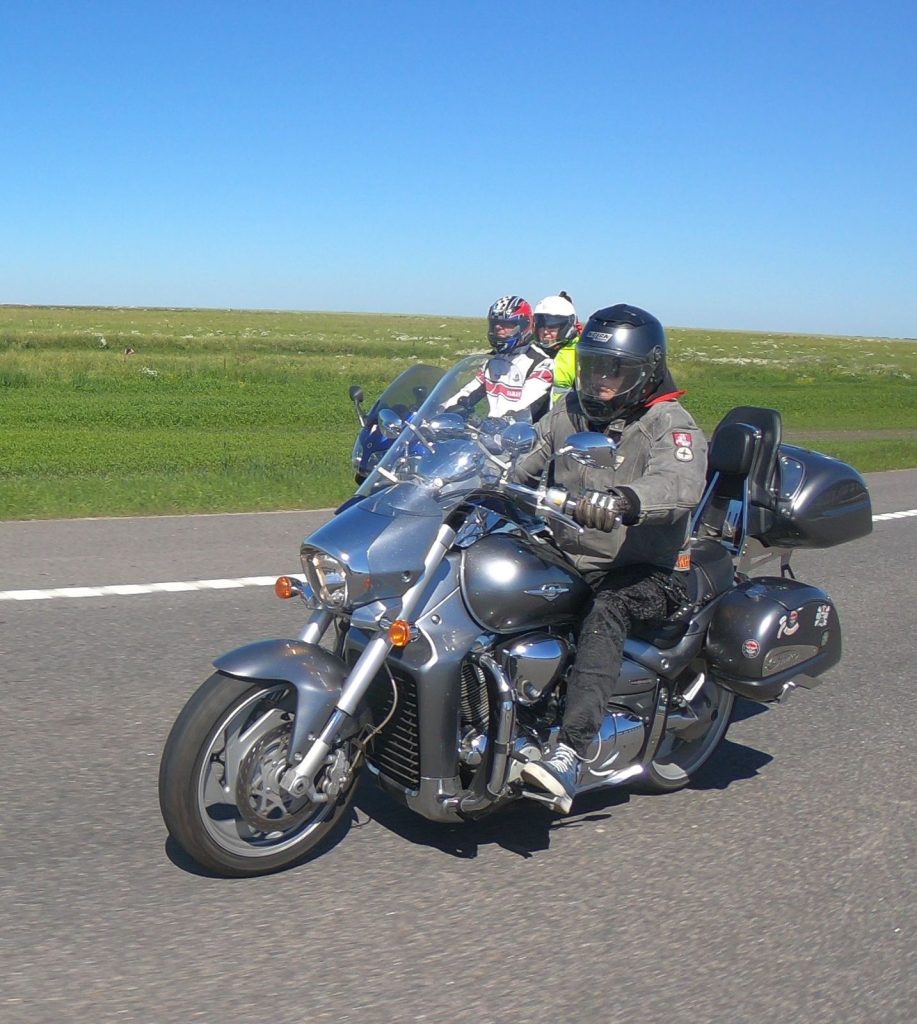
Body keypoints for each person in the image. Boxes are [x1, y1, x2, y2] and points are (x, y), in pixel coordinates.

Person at [512, 303, 708, 813]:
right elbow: (528, 459)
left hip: (645, 569)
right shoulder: (568, 412)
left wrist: (625, 501)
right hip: (567, 551)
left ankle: (570, 752)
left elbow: (679, 483)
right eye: (594, 366)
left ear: (645, 371)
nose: (600, 380)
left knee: (607, 614)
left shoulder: (668, 422)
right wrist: (482, 474)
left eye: (614, 370)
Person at [443, 295, 554, 421]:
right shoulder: (493, 360)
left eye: (507, 324)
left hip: (521, 430)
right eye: (495, 323)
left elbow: (525, 403)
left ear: (524, 326)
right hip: (490, 429)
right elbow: (469, 391)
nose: (498, 328)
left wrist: (497, 421)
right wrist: (441, 410)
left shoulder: (541, 364)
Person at [532, 291, 580, 403]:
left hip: (563, 412)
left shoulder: (579, 354)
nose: (545, 331)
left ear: (566, 327)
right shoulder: (529, 350)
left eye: (552, 326)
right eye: (541, 326)